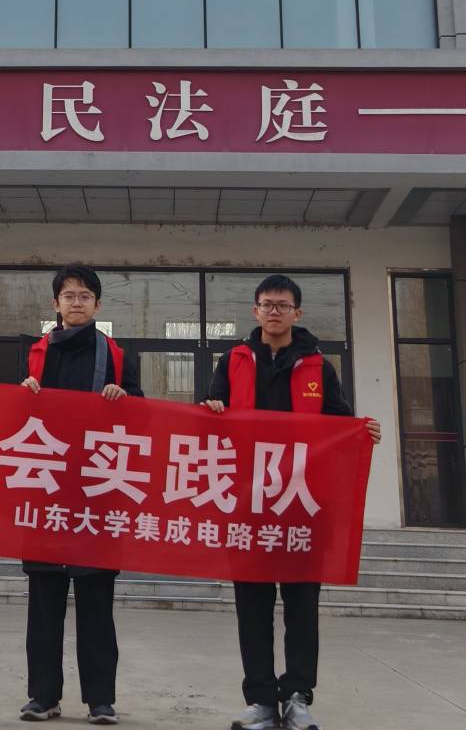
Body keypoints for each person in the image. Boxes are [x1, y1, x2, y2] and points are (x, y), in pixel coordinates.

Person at [203, 275, 382, 730]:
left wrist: (362, 433)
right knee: (253, 606)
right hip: (248, 502)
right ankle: (261, 701)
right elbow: (211, 418)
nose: (274, 311)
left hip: (302, 503)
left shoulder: (319, 368)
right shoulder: (233, 361)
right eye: (267, 304)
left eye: (282, 305)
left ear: (297, 313)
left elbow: (339, 425)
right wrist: (213, 410)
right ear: (255, 311)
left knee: (302, 605)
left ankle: (298, 696)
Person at [17, 264, 140, 725]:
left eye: (85, 296)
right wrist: (23, 394)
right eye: (68, 295)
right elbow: (10, 419)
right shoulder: (35, 354)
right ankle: (43, 696)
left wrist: (124, 399)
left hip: (97, 493)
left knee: (96, 605)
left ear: (97, 305)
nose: (76, 302)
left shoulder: (117, 357)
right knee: (44, 604)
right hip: (46, 492)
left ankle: (100, 700)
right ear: (56, 304)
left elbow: (141, 417)